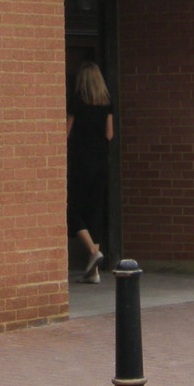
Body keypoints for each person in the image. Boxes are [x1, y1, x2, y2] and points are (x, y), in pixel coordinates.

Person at [66, 62, 114, 283]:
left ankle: (92, 251)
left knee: (72, 209)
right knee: (95, 211)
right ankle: (93, 272)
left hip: (79, 162)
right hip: (101, 162)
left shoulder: (76, 102)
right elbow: (109, 135)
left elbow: (65, 133)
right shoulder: (106, 103)